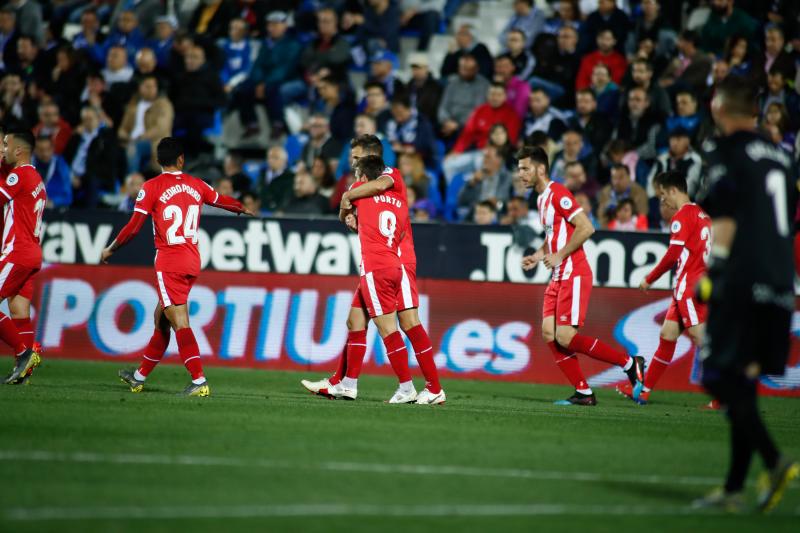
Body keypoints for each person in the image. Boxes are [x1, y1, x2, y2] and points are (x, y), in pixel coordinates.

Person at [692, 77, 799, 512]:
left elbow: (726, 215)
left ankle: (774, 461)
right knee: (745, 382)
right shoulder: (783, 157)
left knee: (717, 375)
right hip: (781, 285)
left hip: (742, 281)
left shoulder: (725, 153)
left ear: (719, 108)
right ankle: (734, 489)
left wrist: (714, 272)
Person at [103, 137, 254, 397]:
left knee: (180, 322)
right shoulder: (197, 185)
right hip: (192, 260)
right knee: (161, 320)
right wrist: (241, 209)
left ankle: (199, 380)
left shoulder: (151, 187)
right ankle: (138, 377)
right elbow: (222, 200)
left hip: (169, 261)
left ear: (157, 160)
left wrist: (112, 248)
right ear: (181, 159)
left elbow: (133, 227)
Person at [302, 134, 444, 404]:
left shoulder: (390, 175)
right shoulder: (363, 187)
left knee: (406, 323)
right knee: (355, 320)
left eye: (356, 158)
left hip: (395, 259)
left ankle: (430, 386)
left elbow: (378, 187)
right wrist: (349, 213)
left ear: (371, 157)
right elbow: (346, 212)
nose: (351, 162)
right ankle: (345, 383)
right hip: (382, 262)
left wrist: (347, 196)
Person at [519, 145, 644, 406]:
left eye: (525, 168)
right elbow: (553, 235)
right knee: (548, 333)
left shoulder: (558, 193)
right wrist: (539, 253)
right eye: (520, 169)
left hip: (574, 273)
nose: (521, 174)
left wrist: (560, 254)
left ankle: (629, 363)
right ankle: (584, 392)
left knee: (565, 337)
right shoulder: (541, 198)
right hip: (558, 274)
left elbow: (587, 228)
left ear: (541, 169)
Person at [617, 171, 710, 404]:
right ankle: (645, 390)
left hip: (688, 288)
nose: (662, 201)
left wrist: (649, 278)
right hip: (694, 285)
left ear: (672, 190)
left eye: (662, 195)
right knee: (667, 335)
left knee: (704, 342)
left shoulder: (682, 216)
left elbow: (672, 256)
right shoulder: (702, 214)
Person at [0, 130, 45, 385]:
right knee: (18, 311)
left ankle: (23, 353)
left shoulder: (19, 175)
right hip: (32, 253)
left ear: (19, 150)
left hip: (16, 252)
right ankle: (24, 371)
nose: (3, 148)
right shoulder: (36, 177)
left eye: (6, 145)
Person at [117, 75, 174, 173]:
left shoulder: (163, 105)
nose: (151, 89)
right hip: (130, 140)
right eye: (147, 86)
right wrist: (126, 136)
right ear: (140, 88)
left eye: (153, 86)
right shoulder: (133, 106)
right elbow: (122, 129)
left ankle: (132, 180)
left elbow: (161, 128)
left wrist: (141, 137)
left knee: (134, 148)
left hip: (152, 142)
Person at [597, 163, 648, 227]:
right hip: (611, 231)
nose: (617, 182)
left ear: (629, 177)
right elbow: (601, 216)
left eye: (621, 177)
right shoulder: (606, 192)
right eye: (614, 178)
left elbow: (642, 216)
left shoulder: (639, 192)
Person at [32, 134, 71, 208]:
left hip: (54, 211)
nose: (45, 153)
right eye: (40, 150)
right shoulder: (28, 164)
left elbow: (68, 197)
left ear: (53, 148)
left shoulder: (60, 165)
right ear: (34, 150)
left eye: (48, 149)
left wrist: (53, 202)